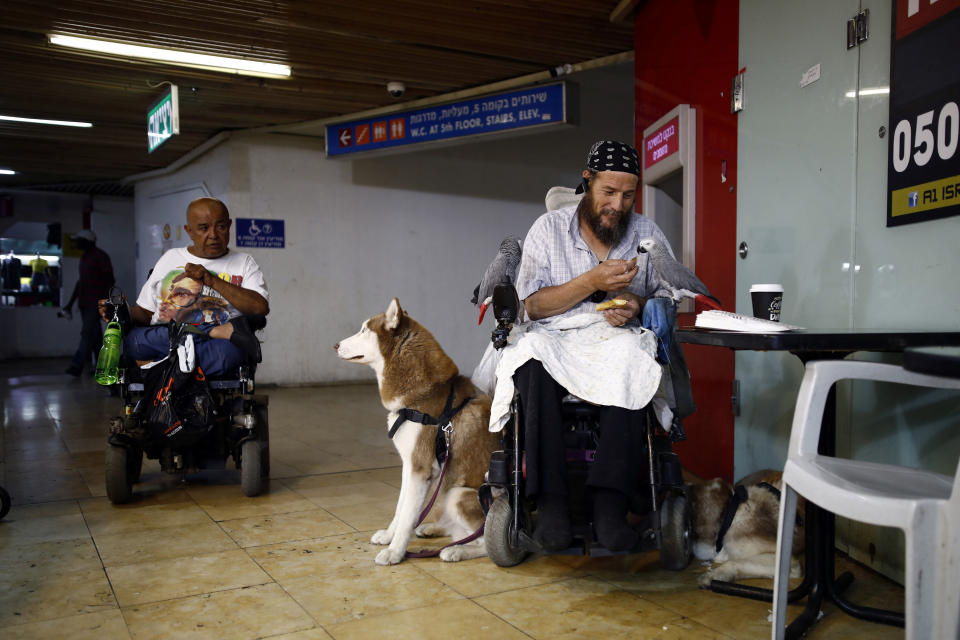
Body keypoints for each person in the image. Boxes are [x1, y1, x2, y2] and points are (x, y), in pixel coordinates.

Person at [513, 140, 675, 552]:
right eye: (608, 193)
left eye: (627, 195)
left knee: (632, 359)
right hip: (556, 338)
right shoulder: (547, 230)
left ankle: (610, 507)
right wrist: (592, 282)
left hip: (615, 339)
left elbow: (668, 297)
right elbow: (530, 305)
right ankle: (552, 507)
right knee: (531, 362)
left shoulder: (647, 233)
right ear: (587, 182)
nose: (617, 205)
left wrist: (636, 303)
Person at [106, 197, 270, 377]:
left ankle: (160, 369)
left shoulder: (244, 263)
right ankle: (210, 334)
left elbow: (259, 308)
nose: (214, 234)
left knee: (230, 353)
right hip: (171, 336)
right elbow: (146, 313)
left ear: (230, 225)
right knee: (133, 342)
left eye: (221, 226)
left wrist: (213, 280)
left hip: (216, 345)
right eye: (204, 228)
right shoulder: (171, 258)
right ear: (189, 231)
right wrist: (122, 310)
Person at [64, 230, 115, 376]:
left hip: (96, 303)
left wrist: (105, 302)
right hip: (85, 303)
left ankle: (77, 365)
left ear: (88, 241)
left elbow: (110, 280)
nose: (77, 243)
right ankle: (102, 367)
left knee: (87, 333)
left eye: (79, 240)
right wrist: (70, 303)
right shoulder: (84, 258)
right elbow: (80, 283)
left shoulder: (100, 257)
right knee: (95, 336)